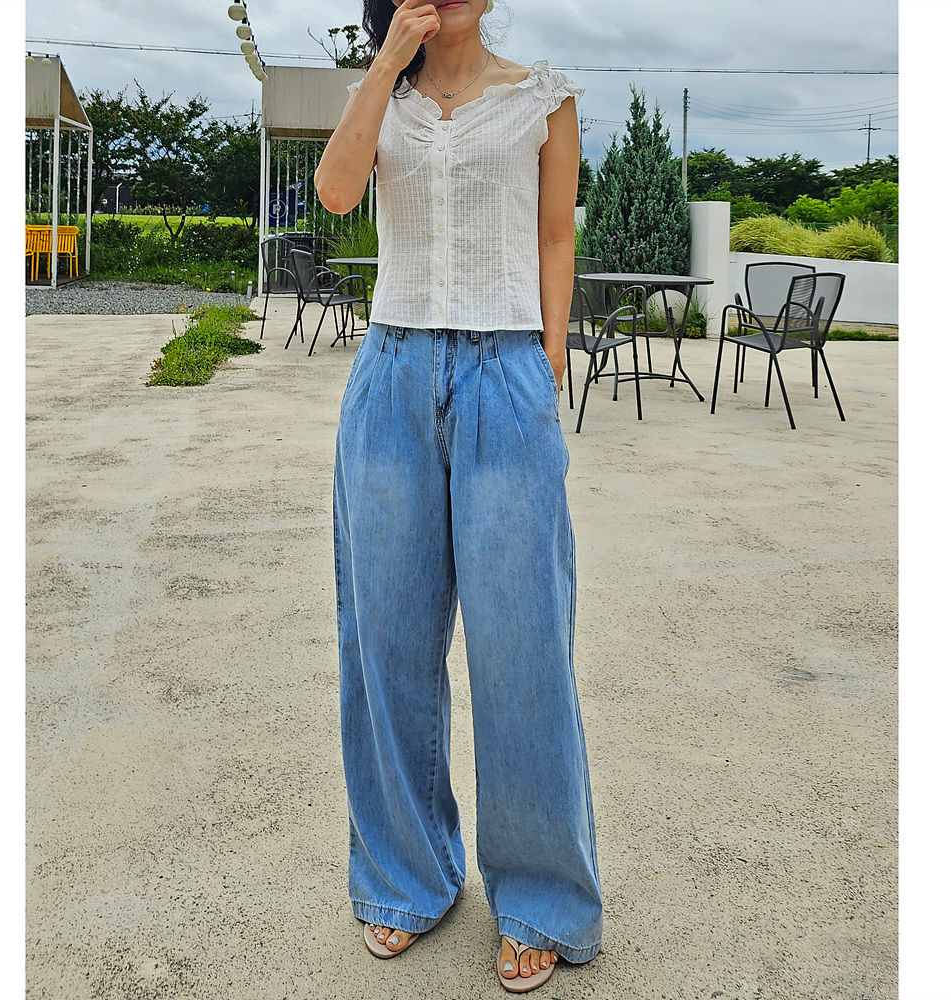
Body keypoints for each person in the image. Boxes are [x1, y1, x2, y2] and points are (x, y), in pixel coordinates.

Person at [315, 0, 602, 991]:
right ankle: (406, 875)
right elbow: (336, 191)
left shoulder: (542, 98)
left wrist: (546, 362)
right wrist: (387, 59)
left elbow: (555, 237)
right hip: (390, 374)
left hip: (504, 371)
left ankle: (541, 898)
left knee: (524, 649)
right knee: (386, 643)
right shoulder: (382, 100)